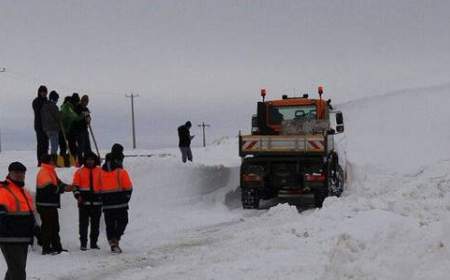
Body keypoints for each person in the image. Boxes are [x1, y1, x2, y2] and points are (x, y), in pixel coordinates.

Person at [0, 162, 40, 280]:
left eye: (22, 173)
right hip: (9, 238)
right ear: (9, 173)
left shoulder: (23, 192)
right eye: (16, 172)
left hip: (22, 237)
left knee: (15, 270)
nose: (19, 175)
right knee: (18, 272)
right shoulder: (4, 190)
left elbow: (29, 215)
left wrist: (36, 230)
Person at [35, 154, 72, 255]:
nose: (55, 161)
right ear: (50, 161)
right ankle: (46, 248)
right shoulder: (44, 172)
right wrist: (64, 189)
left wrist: (67, 186)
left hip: (50, 205)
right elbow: (50, 188)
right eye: (53, 160)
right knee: (48, 227)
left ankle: (57, 247)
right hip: (45, 205)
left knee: (54, 226)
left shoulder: (50, 171)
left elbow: (58, 183)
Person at [100, 148, 132, 254]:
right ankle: (115, 239)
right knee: (123, 221)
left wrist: (101, 199)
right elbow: (128, 187)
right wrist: (126, 198)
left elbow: (97, 188)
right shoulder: (121, 172)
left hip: (107, 205)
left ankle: (112, 242)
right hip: (121, 204)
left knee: (110, 224)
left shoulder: (100, 173)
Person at [72, 152, 102, 251]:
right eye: (88, 159)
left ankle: (93, 243)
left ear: (95, 160)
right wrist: (77, 196)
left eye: (92, 159)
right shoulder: (79, 172)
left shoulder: (100, 171)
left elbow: (104, 185)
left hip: (97, 203)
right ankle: (83, 244)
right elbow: (75, 186)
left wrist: (103, 197)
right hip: (83, 203)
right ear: (85, 160)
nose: (90, 161)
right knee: (83, 225)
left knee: (95, 225)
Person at [40, 91, 61, 161]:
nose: (57, 101)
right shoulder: (53, 106)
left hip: (46, 129)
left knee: (52, 145)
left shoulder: (44, 106)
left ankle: (51, 160)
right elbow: (58, 117)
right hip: (53, 128)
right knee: (54, 146)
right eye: (57, 99)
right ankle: (53, 160)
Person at [32, 85, 49, 166]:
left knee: (46, 144)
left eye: (45, 92)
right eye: (42, 92)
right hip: (39, 125)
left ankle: (45, 161)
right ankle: (40, 161)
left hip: (47, 126)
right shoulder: (36, 101)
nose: (44, 93)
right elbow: (38, 111)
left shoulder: (47, 101)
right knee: (41, 144)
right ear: (39, 92)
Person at [73, 94, 92, 164]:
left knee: (87, 145)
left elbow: (88, 117)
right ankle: (80, 160)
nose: (86, 103)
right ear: (82, 101)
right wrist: (82, 115)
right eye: (85, 101)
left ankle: (89, 159)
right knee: (81, 145)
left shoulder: (86, 109)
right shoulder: (77, 108)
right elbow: (76, 119)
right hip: (78, 130)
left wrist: (89, 119)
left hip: (85, 129)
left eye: (87, 102)